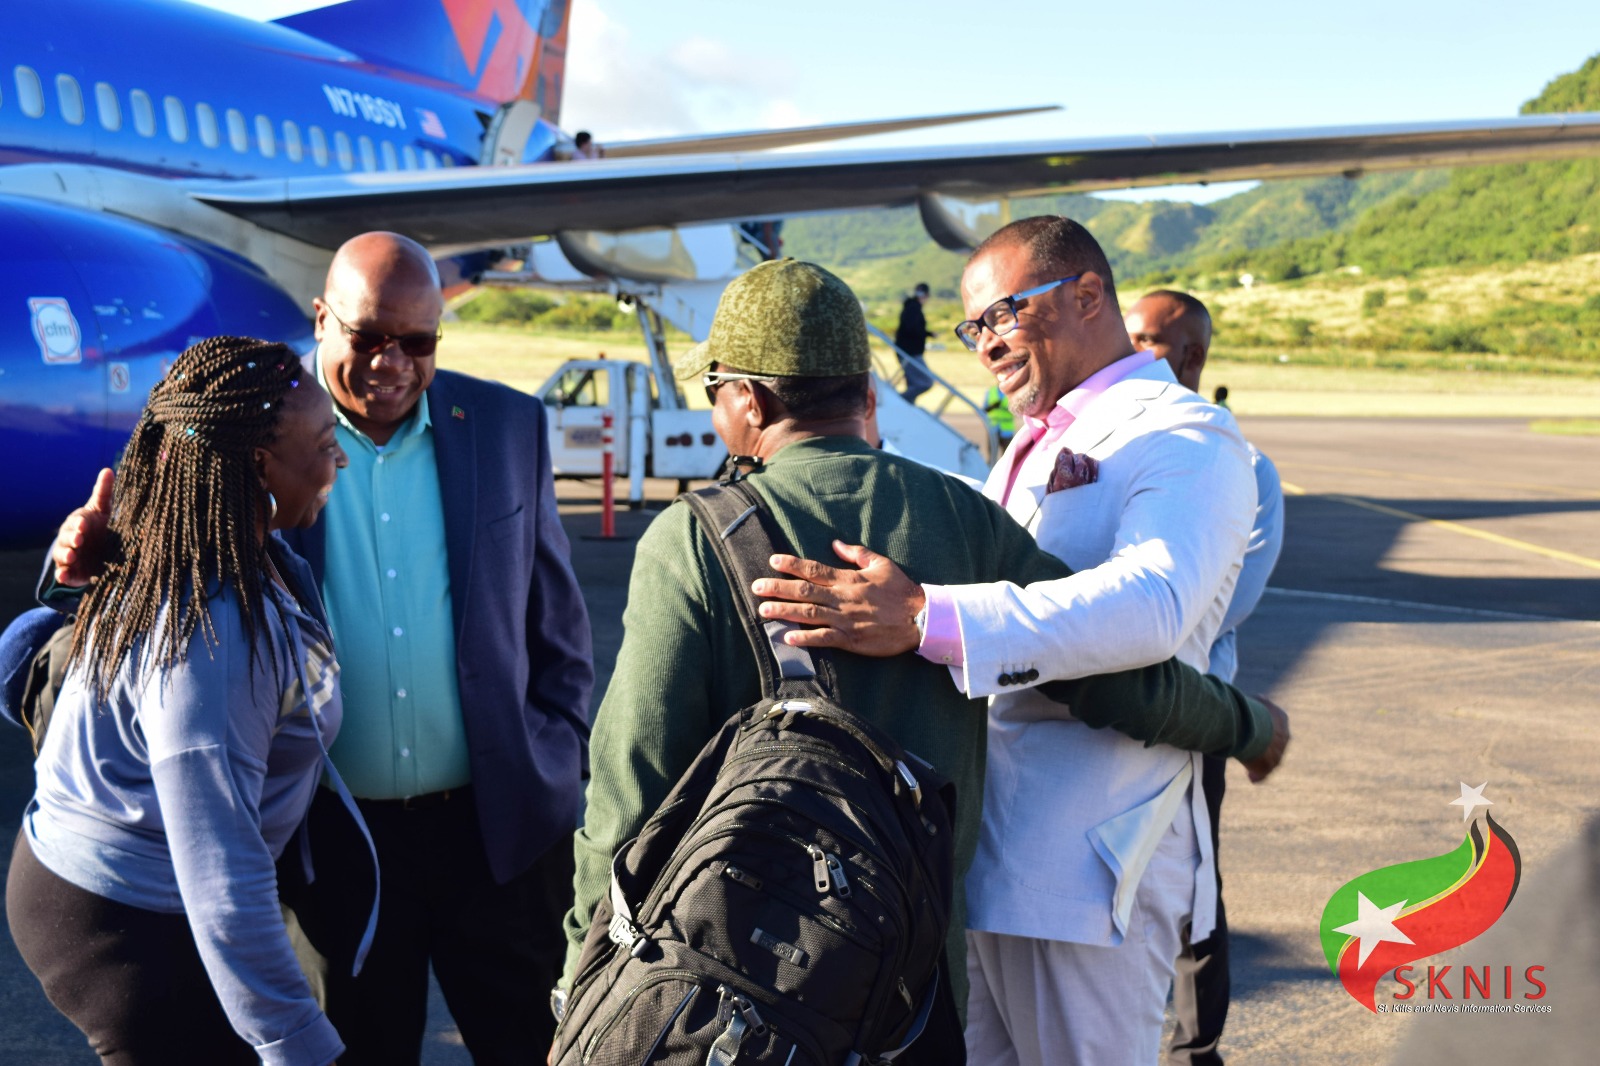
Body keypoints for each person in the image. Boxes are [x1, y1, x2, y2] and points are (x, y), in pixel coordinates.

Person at [558, 258, 1287, 1059]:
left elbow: (630, 786)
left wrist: (580, 978)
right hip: (913, 994)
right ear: (868, 396)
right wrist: (1248, 726)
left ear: (749, 402)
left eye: (714, 390)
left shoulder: (693, 538)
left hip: (733, 994)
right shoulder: (964, 518)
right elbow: (1120, 683)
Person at [50, 233, 595, 1066]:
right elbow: (149, 583)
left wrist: (558, 749)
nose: (392, 364)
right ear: (320, 318)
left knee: (535, 1047)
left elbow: (555, 618)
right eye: (368, 337)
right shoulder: (246, 428)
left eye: (417, 342)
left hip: (499, 833)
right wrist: (75, 577)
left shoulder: (506, 424)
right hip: (334, 841)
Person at [752, 218, 1272, 1064]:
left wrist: (928, 619)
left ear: (1088, 295)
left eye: (1003, 314)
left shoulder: (1185, 433)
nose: (986, 343)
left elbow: (1155, 602)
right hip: (991, 859)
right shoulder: (1042, 438)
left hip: (1087, 868)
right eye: (973, 328)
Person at [7, 336, 351, 1065]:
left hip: (128, 890)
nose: (340, 461)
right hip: (126, 925)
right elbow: (222, 871)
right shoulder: (214, 634)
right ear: (260, 464)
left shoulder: (217, 547)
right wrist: (296, 1043)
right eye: (326, 444)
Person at [1126, 289, 1285, 1066]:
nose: (1128, 349)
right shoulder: (1116, 445)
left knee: (1193, 885)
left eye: (1145, 340)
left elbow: (1226, 601)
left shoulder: (1247, 467)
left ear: (1189, 355)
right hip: (1109, 705)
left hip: (1193, 710)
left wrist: (1124, 623)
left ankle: (1195, 1048)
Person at [895, 282, 936, 402]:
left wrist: (927, 333)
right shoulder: (914, 308)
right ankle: (899, 401)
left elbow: (911, 328)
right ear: (926, 295)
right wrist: (926, 334)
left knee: (913, 384)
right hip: (910, 352)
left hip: (907, 350)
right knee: (926, 382)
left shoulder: (910, 306)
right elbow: (912, 329)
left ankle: (905, 404)